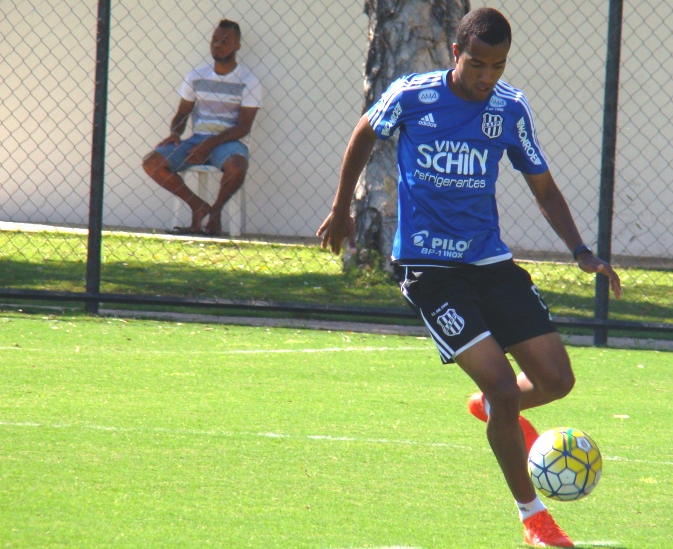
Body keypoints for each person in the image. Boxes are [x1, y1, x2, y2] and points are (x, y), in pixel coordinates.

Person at [316, 7, 622, 547]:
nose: (487, 76)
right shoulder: (414, 96)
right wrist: (341, 207)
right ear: (456, 53)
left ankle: (492, 410)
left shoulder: (509, 109)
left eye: (497, 66)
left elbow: (544, 189)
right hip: (431, 271)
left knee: (556, 381)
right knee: (504, 387)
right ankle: (534, 517)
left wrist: (582, 252)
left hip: (490, 265)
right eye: (478, 64)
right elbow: (365, 132)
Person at [142, 19, 261, 236]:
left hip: (228, 143)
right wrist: (175, 133)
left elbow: (244, 126)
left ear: (237, 46)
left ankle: (214, 213)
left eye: (225, 41)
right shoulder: (196, 77)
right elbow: (181, 114)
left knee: (238, 166)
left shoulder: (248, 81)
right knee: (152, 162)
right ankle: (197, 205)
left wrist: (211, 143)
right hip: (197, 140)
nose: (218, 45)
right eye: (215, 40)